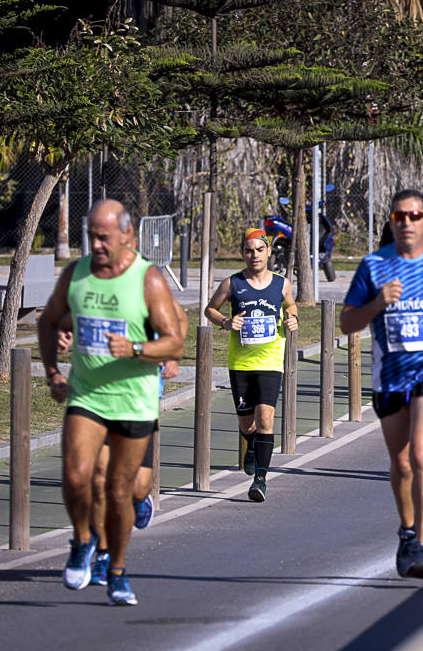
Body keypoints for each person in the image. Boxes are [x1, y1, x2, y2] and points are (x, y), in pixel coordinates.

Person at [39, 199, 185, 606]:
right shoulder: (77, 274)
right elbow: (50, 320)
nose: (97, 245)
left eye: (104, 237)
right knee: (78, 475)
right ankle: (83, 542)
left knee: (123, 489)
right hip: (87, 394)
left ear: (127, 236)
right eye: (91, 236)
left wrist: (138, 348)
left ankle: (117, 569)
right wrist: (53, 371)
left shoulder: (148, 280)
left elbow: (174, 337)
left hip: (135, 400)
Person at [340, 189, 423, 579]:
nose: (408, 222)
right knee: (401, 460)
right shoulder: (374, 265)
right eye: (400, 217)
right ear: (392, 222)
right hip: (390, 373)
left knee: (421, 454)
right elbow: (347, 322)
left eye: (415, 215)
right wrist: (377, 303)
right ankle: (407, 531)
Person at [70, 297, 188, 587]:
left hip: (138, 400)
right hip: (97, 397)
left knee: (136, 484)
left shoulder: (146, 286)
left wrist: (172, 354)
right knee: (100, 478)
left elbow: (180, 319)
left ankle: (139, 499)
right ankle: (104, 554)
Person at [204, 228, 300, 501]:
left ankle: (260, 479)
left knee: (266, 418)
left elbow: (291, 307)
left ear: (269, 251)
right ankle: (251, 444)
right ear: (243, 254)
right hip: (240, 363)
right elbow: (210, 309)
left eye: (260, 250)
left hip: (270, 361)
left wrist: (293, 318)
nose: (254, 255)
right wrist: (225, 321)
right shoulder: (232, 283)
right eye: (249, 251)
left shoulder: (281, 284)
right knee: (247, 425)